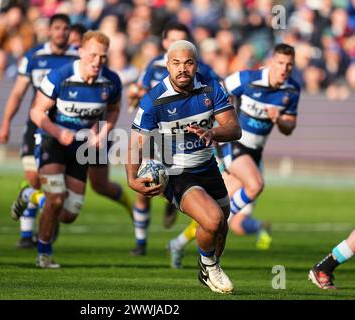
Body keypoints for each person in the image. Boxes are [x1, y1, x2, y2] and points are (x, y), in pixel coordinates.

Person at [167, 43, 301, 268]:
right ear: (270, 62)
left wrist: (279, 119)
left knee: (217, 213)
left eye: (289, 65)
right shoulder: (247, 79)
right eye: (280, 63)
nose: (284, 69)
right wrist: (219, 120)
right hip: (234, 145)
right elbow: (218, 91)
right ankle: (211, 249)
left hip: (254, 154)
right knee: (255, 185)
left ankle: (178, 244)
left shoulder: (292, 90)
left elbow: (289, 128)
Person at [127, 40, 241, 294]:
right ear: (167, 66)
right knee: (212, 220)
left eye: (188, 63)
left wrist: (213, 132)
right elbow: (135, 142)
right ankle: (209, 265)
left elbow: (234, 129)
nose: (182, 69)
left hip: (207, 166)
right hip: (175, 171)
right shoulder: (154, 100)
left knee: (222, 225)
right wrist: (131, 179)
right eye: (176, 63)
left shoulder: (211, 88)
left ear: (196, 65)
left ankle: (208, 266)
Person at [13, 31, 122, 268]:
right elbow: (36, 112)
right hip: (52, 142)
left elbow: (114, 109)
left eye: (102, 57)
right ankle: (43, 254)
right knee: (55, 199)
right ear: (81, 53)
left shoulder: (111, 81)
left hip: (81, 147)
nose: (97, 61)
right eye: (92, 55)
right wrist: (57, 132)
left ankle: (29, 196)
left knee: (68, 214)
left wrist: (101, 132)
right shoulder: (60, 76)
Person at [126, 22, 220, 256]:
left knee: (216, 213)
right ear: (165, 44)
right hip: (157, 134)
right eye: (172, 39)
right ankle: (140, 242)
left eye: (182, 38)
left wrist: (215, 125)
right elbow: (141, 91)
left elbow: (220, 93)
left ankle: (173, 199)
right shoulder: (153, 66)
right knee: (144, 182)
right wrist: (134, 94)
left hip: (190, 139)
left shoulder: (203, 71)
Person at [0, 14, 77, 249]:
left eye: (65, 28)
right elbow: (18, 93)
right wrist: (5, 123)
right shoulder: (33, 57)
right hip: (37, 125)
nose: (61, 32)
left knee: (55, 186)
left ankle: (46, 216)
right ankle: (25, 235)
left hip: (66, 128)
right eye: (57, 28)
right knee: (33, 178)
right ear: (49, 31)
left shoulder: (77, 58)